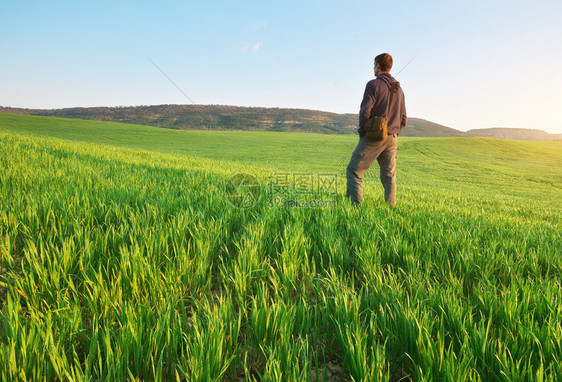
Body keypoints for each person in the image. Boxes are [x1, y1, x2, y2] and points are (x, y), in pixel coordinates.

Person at [346, 53, 407, 207]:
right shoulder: (400, 90)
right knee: (389, 176)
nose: (373, 68)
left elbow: (365, 112)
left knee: (354, 170)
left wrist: (363, 133)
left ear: (378, 65)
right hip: (392, 137)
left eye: (374, 64)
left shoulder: (373, 84)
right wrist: (394, 132)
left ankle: (355, 207)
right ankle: (390, 208)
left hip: (375, 136)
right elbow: (404, 118)